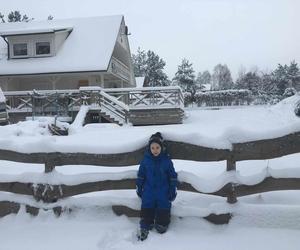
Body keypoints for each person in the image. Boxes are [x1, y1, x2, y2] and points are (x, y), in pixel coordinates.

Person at [136, 132, 178, 241]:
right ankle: (146, 225)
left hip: (163, 190)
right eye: (152, 148)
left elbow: (172, 176)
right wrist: (139, 187)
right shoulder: (145, 160)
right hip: (148, 190)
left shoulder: (166, 161)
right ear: (149, 148)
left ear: (162, 147)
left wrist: (172, 190)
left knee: (163, 205)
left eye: (157, 147)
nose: (155, 150)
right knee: (147, 205)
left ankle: (162, 223)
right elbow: (141, 175)